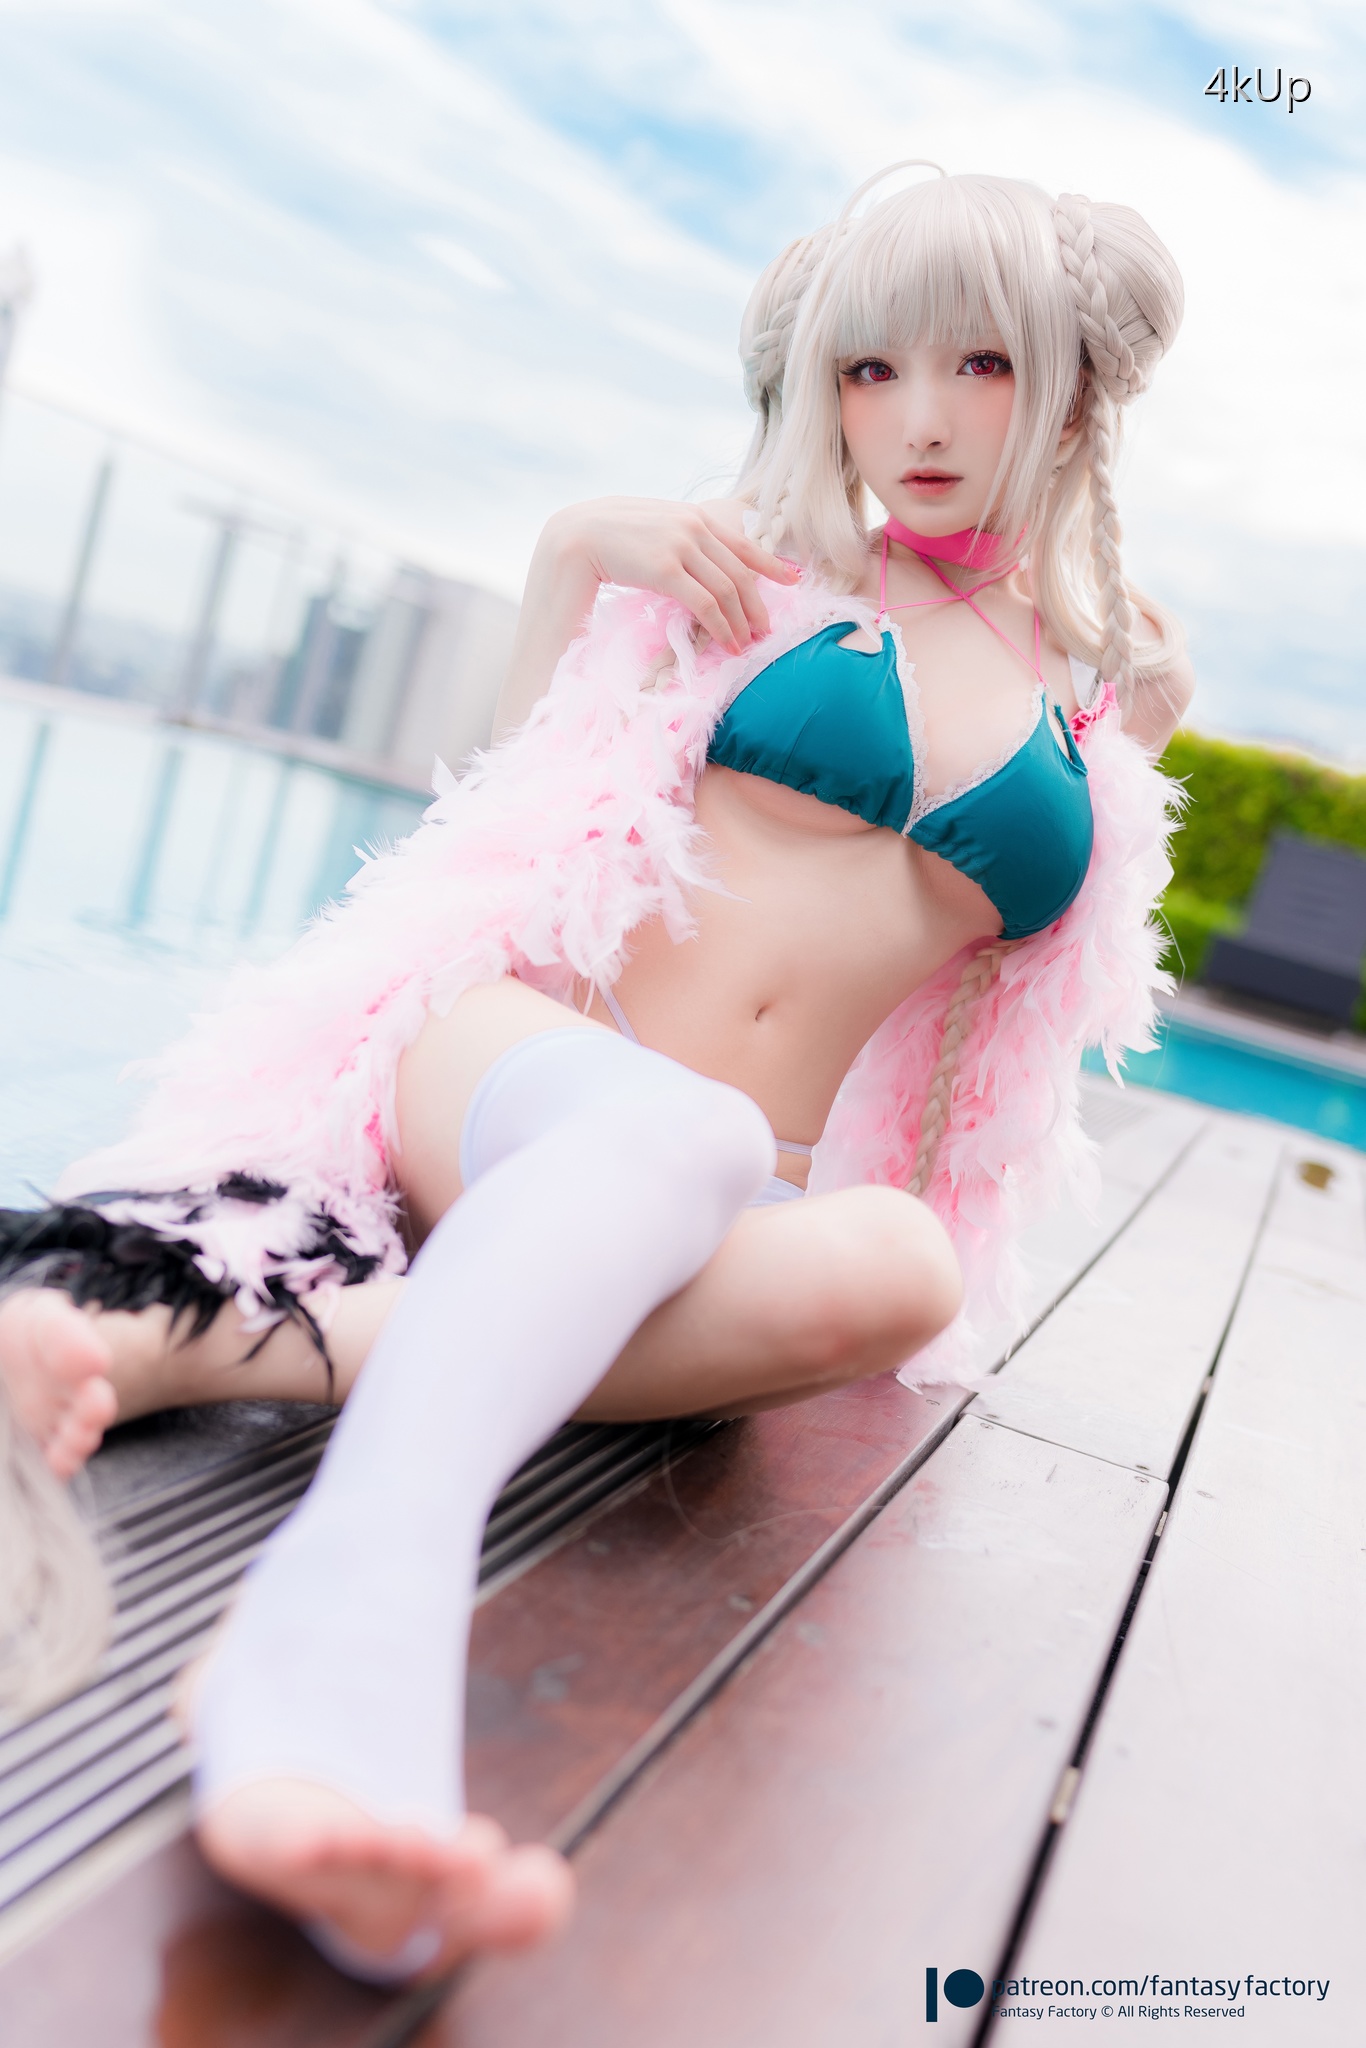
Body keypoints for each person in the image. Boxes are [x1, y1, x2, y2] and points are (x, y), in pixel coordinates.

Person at [0, 164, 1192, 1979]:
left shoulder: (1114, 695)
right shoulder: (752, 568)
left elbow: (997, 1041)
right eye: (868, 369)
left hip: (734, 1186)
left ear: (1075, 385)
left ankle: (155, 1338)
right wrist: (572, 558)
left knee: (898, 1266)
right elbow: (508, 829)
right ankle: (336, 1631)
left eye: (980, 363)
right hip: (511, 1060)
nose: (920, 419)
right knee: (681, 1129)